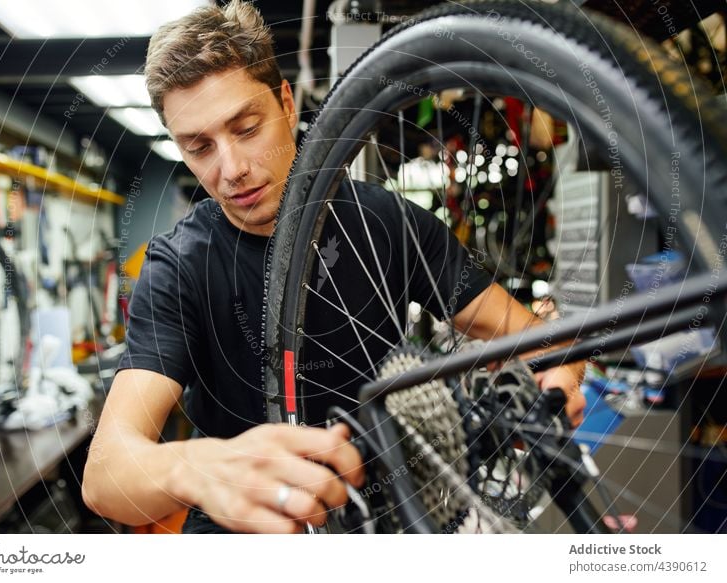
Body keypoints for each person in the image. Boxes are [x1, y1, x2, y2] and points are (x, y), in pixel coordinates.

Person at [81, 0, 586, 534]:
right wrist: (197, 467)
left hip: (388, 512)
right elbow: (104, 476)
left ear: (286, 104)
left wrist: (561, 376)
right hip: (245, 528)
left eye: (247, 128)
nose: (232, 170)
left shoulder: (387, 222)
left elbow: (538, 341)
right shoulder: (177, 266)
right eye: (199, 146)